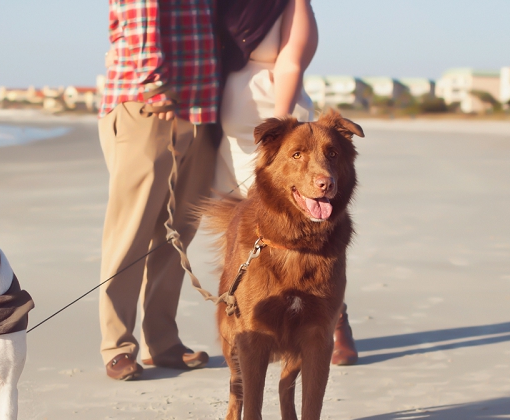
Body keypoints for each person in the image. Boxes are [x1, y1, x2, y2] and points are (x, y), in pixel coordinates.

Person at [214, 0, 358, 365]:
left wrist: (278, 138)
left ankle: (332, 322)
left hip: (279, 136)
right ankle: (253, 321)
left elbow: (292, 60)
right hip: (225, 136)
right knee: (248, 242)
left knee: (308, 234)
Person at [98, 0, 221, 380]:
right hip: (149, 106)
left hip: (201, 107)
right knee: (131, 230)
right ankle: (117, 346)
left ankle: (163, 342)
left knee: (178, 232)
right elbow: (139, 15)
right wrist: (154, 84)